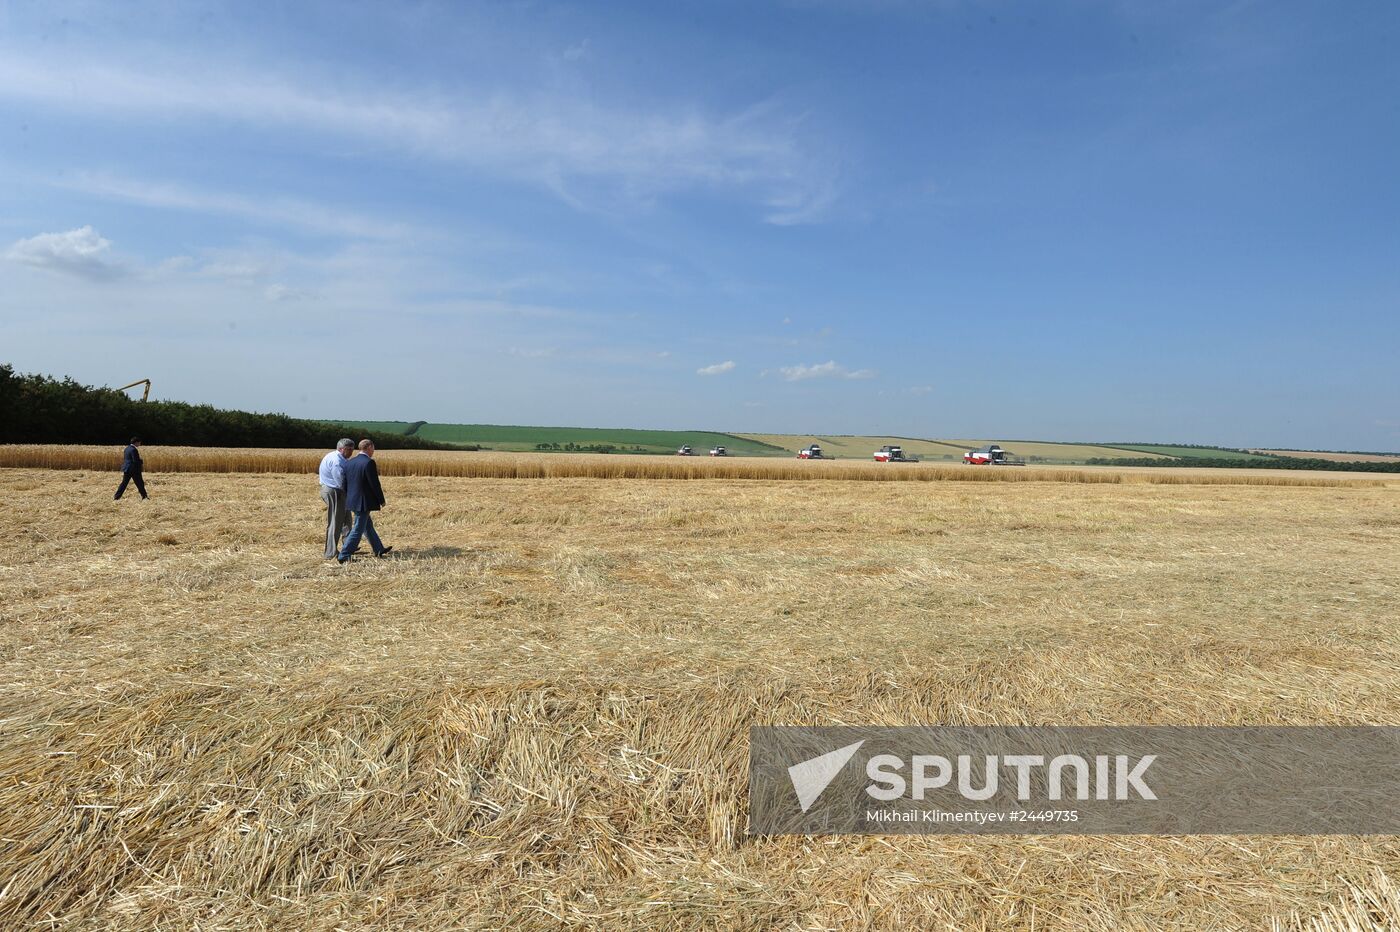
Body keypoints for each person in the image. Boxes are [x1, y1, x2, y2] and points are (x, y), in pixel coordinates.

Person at [337, 439, 393, 563]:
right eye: (373, 448)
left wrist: (349, 497)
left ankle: (378, 549)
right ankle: (344, 555)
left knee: (367, 526)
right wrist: (381, 500)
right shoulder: (369, 463)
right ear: (368, 447)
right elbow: (374, 484)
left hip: (353, 500)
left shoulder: (349, 463)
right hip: (363, 502)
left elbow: (344, 483)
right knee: (358, 529)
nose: (373, 451)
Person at [318, 438, 355, 559]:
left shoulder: (336, 456)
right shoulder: (337, 461)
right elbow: (341, 482)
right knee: (335, 522)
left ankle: (348, 546)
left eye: (352, 449)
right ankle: (331, 552)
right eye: (348, 449)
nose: (351, 452)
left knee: (346, 519)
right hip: (334, 492)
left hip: (336, 491)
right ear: (341, 449)